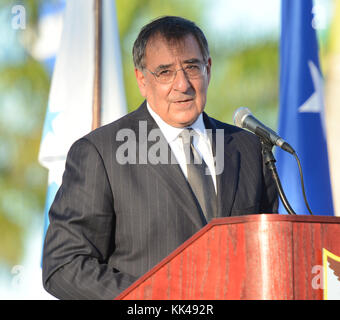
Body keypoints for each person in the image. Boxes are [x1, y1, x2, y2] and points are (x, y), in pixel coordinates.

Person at [42, 16, 278, 300]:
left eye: (191, 67)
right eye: (165, 72)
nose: (182, 84)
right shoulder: (100, 153)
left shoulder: (249, 148)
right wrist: (154, 299)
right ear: (142, 80)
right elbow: (64, 265)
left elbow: (271, 253)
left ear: (209, 69)